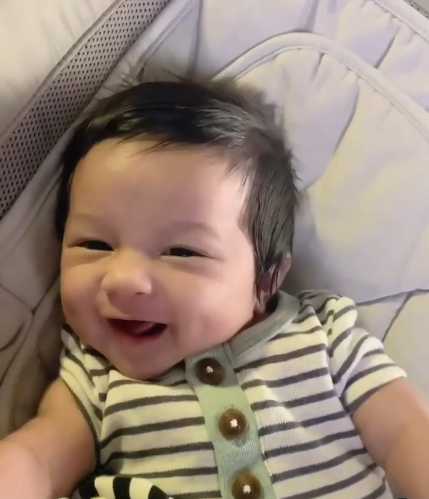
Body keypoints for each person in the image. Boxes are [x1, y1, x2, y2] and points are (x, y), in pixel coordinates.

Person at [0, 79, 428, 499]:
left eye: (181, 251)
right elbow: (38, 461)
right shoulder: (94, 379)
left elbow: (406, 432)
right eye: (95, 244)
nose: (123, 279)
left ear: (266, 279)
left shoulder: (325, 337)